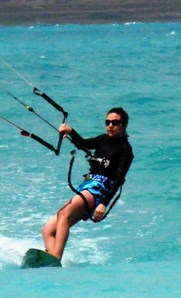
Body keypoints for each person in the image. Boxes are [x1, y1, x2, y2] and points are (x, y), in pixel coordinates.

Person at [41, 107, 134, 261]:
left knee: (64, 215)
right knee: (48, 230)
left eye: (115, 123)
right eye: (108, 122)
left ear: (124, 126)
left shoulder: (125, 149)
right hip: (86, 186)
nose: (110, 125)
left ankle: (56, 258)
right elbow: (82, 143)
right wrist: (70, 131)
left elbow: (118, 180)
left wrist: (104, 204)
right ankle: (53, 261)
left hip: (99, 189)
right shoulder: (103, 139)